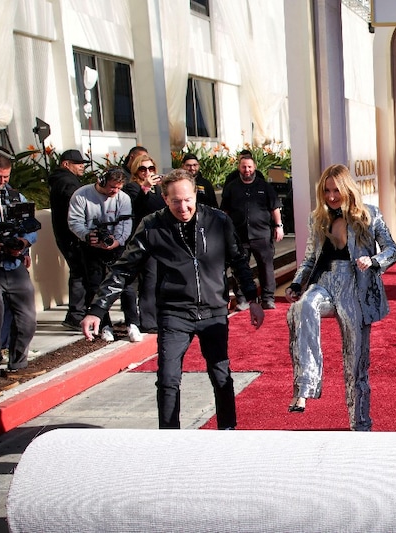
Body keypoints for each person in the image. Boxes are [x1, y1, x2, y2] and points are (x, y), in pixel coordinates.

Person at [81, 169, 265, 430]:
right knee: (168, 378)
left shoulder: (218, 220)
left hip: (213, 310)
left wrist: (252, 299)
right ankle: (169, 438)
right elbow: (123, 269)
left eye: (188, 199)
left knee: (221, 373)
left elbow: (238, 261)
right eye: (176, 201)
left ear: (196, 195)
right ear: (165, 199)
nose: (183, 206)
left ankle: (228, 430)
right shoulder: (152, 225)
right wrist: (97, 310)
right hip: (174, 312)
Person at [285, 164, 396, 431]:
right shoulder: (318, 218)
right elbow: (310, 258)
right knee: (304, 306)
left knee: (355, 360)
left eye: (336, 190)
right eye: (327, 190)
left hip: (356, 288)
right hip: (325, 282)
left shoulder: (370, 215)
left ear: (348, 188)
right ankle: (306, 385)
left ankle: (360, 423)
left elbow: (392, 250)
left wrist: (373, 261)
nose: (332, 196)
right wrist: (297, 283)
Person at [67, 168, 133, 342]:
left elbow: (126, 224)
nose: (115, 191)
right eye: (112, 187)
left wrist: (116, 241)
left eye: (119, 188)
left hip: (117, 246)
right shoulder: (81, 195)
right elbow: (74, 222)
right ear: (102, 182)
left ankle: (132, 322)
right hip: (89, 248)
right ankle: (104, 325)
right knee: (94, 286)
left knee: (126, 286)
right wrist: (88, 236)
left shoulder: (123, 198)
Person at [0, 153, 40, 380]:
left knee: (27, 318)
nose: (1, 182)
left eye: (5, 177)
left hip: (14, 264)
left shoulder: (14, 196)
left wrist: (23, 244)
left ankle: (18, 364)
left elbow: (30, 226)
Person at [221, 154, 283, 309]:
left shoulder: (265, 187)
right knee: (240, 268)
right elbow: (225, 212)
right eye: (243, 166)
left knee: (266, 267)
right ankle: (242, 300)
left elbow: (275, 208)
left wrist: (279, 226)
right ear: (239, 168)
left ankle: (267, 298)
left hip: (262, 234)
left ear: (254, 167)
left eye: (249, 166)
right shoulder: (231, 187)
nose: (247, 170)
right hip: (239, 236)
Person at [122, 154, 167, 335]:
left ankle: (154, 318)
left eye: (151, 169)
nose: (147, 172)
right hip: (140, 239)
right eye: (143, 169)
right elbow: (136, 208)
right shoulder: (132, 188)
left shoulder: (158, 189)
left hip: (159, 238)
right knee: (144, 281)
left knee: (155, 280)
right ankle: (143, 321)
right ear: (136, 171)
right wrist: (145, 187)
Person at [47, 149, 88, 329]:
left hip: (70, 235)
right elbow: (75, 202)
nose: (82, 167)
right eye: (78, 163)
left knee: (80, 272)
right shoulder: (65, 182)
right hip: (72, 237)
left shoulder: (63, 180)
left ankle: (78, 312)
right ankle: (76, 314)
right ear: (66, 164)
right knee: (79, 272)